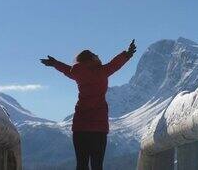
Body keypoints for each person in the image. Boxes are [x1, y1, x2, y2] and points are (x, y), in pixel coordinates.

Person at [40, 40, 137, 170]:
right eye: (95, 54)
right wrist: (127, 54)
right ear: (91, 58)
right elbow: (115, 64)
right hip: (99, 127)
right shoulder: (102, 71)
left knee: (81, 164)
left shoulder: (76, 72)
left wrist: (54, 63)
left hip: (80, 126)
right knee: (97, 165)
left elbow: (66, 69)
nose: (98, 55)